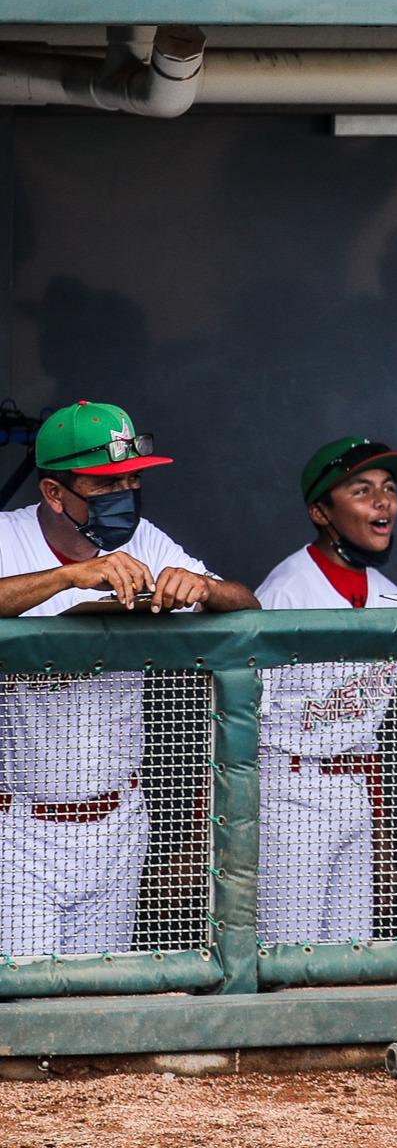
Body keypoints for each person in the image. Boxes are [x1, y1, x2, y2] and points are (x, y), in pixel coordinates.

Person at [0, 400, 259, 958]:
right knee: (25, 1006)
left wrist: (204, 588)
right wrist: (68, 577)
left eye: (131, 479)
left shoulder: (146, 541)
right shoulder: (7, 536)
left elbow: (247, 605)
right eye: (105, 483)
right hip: (20, 825)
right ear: (53, 492)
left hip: (119, 818)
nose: (124, 495)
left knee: (103, 999)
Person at [254, 436, 397, 944]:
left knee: (351, 960)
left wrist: (382, 837)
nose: (383, 501)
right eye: (362, 489)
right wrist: (205, 834)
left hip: (355, 791)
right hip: (288, 790)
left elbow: (369, 733)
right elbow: (231, 720)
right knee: (287, 959)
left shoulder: (390, 597)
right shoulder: (285, 592)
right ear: (321, 511)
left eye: (388, 488)